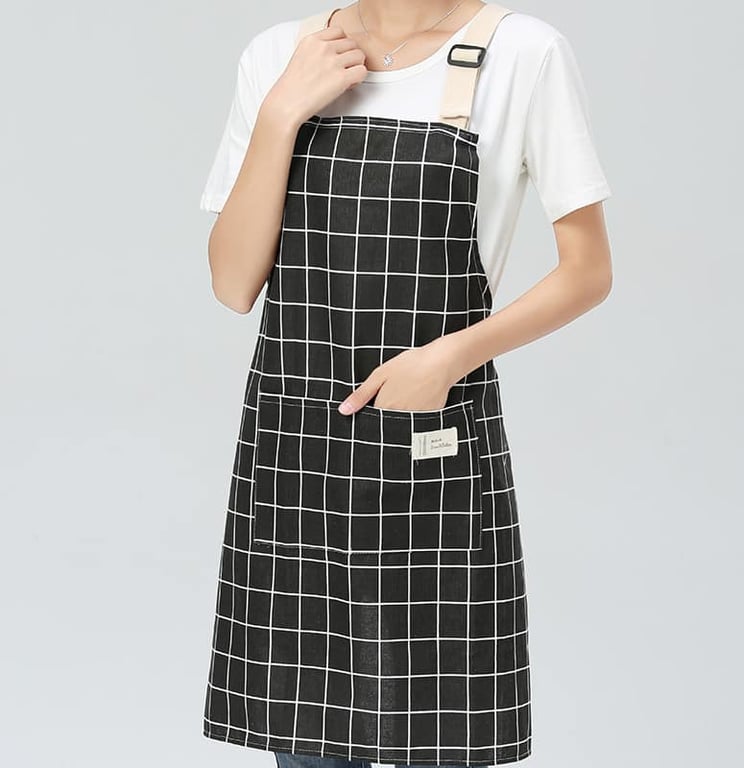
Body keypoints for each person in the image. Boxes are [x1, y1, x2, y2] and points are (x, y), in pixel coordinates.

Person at [198, 2, 613, 767]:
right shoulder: (281, 56)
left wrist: (448, 359)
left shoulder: (522, 53)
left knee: (443, 736)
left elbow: (588, 272)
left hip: (434, 448)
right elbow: (232, 281)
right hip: (301, 460)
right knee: (309, 747)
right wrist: (282, 113)